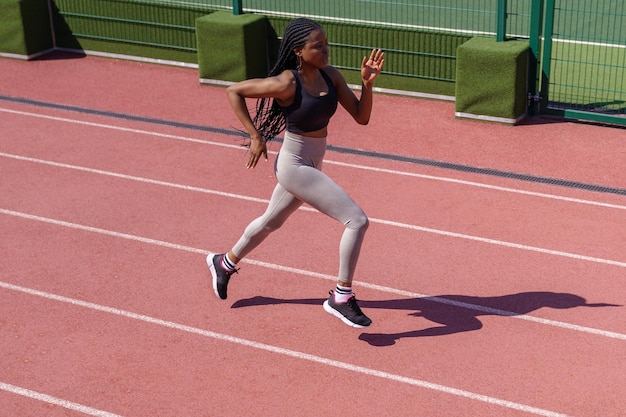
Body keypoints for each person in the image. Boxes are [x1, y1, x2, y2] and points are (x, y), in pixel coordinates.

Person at [207, 17, 384, 328]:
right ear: (299, 51)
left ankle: (224, 263)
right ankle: (341, 297)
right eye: (319, 46)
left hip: (313, 162)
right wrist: (255, 136)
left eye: (326, 43)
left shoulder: (331, 76)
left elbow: (361, 117)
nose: (326, 50)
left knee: (270, 222)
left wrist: (367, 85)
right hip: (294, 165)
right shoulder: (286, 83)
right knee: (357, 220)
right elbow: (233, 91)